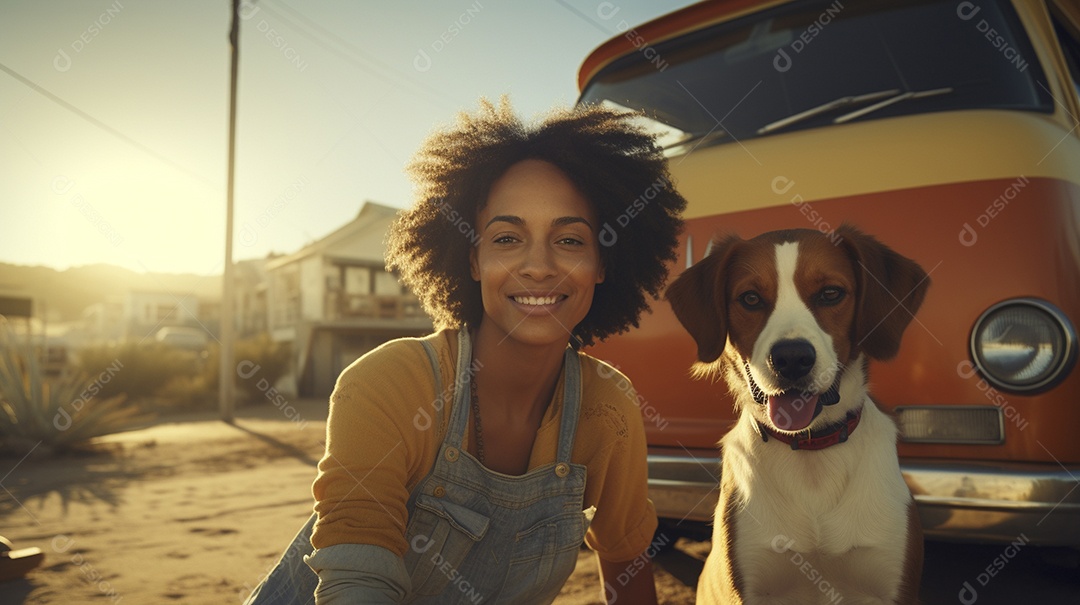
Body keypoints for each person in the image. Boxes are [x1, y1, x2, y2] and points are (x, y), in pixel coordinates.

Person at [244, 99, 686, 604]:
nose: (539, 266)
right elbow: (356, 579)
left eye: (568, 239)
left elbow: (626, 561)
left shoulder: (608, 411)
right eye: (506, 238)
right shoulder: (389, 383)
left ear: (603, 263)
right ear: (472, 259)